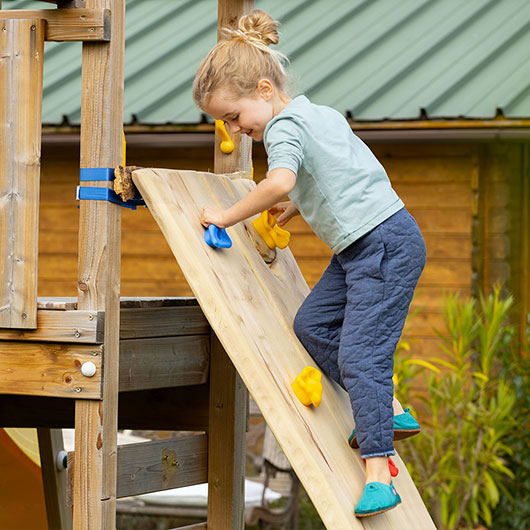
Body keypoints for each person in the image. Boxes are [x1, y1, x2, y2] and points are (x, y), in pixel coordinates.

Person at [192, 9, 426, 518]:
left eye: (233, 117)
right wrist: (300, 206)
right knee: (313, 325)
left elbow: (277, 180)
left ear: (262, 89)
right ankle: (388, 411)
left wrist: (228, 216)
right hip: (366, 245)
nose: (236, 129)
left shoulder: (281, 129)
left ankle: (379, 468)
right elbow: (345, 173)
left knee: (361, 357)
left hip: (381, 244)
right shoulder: (316, 114)